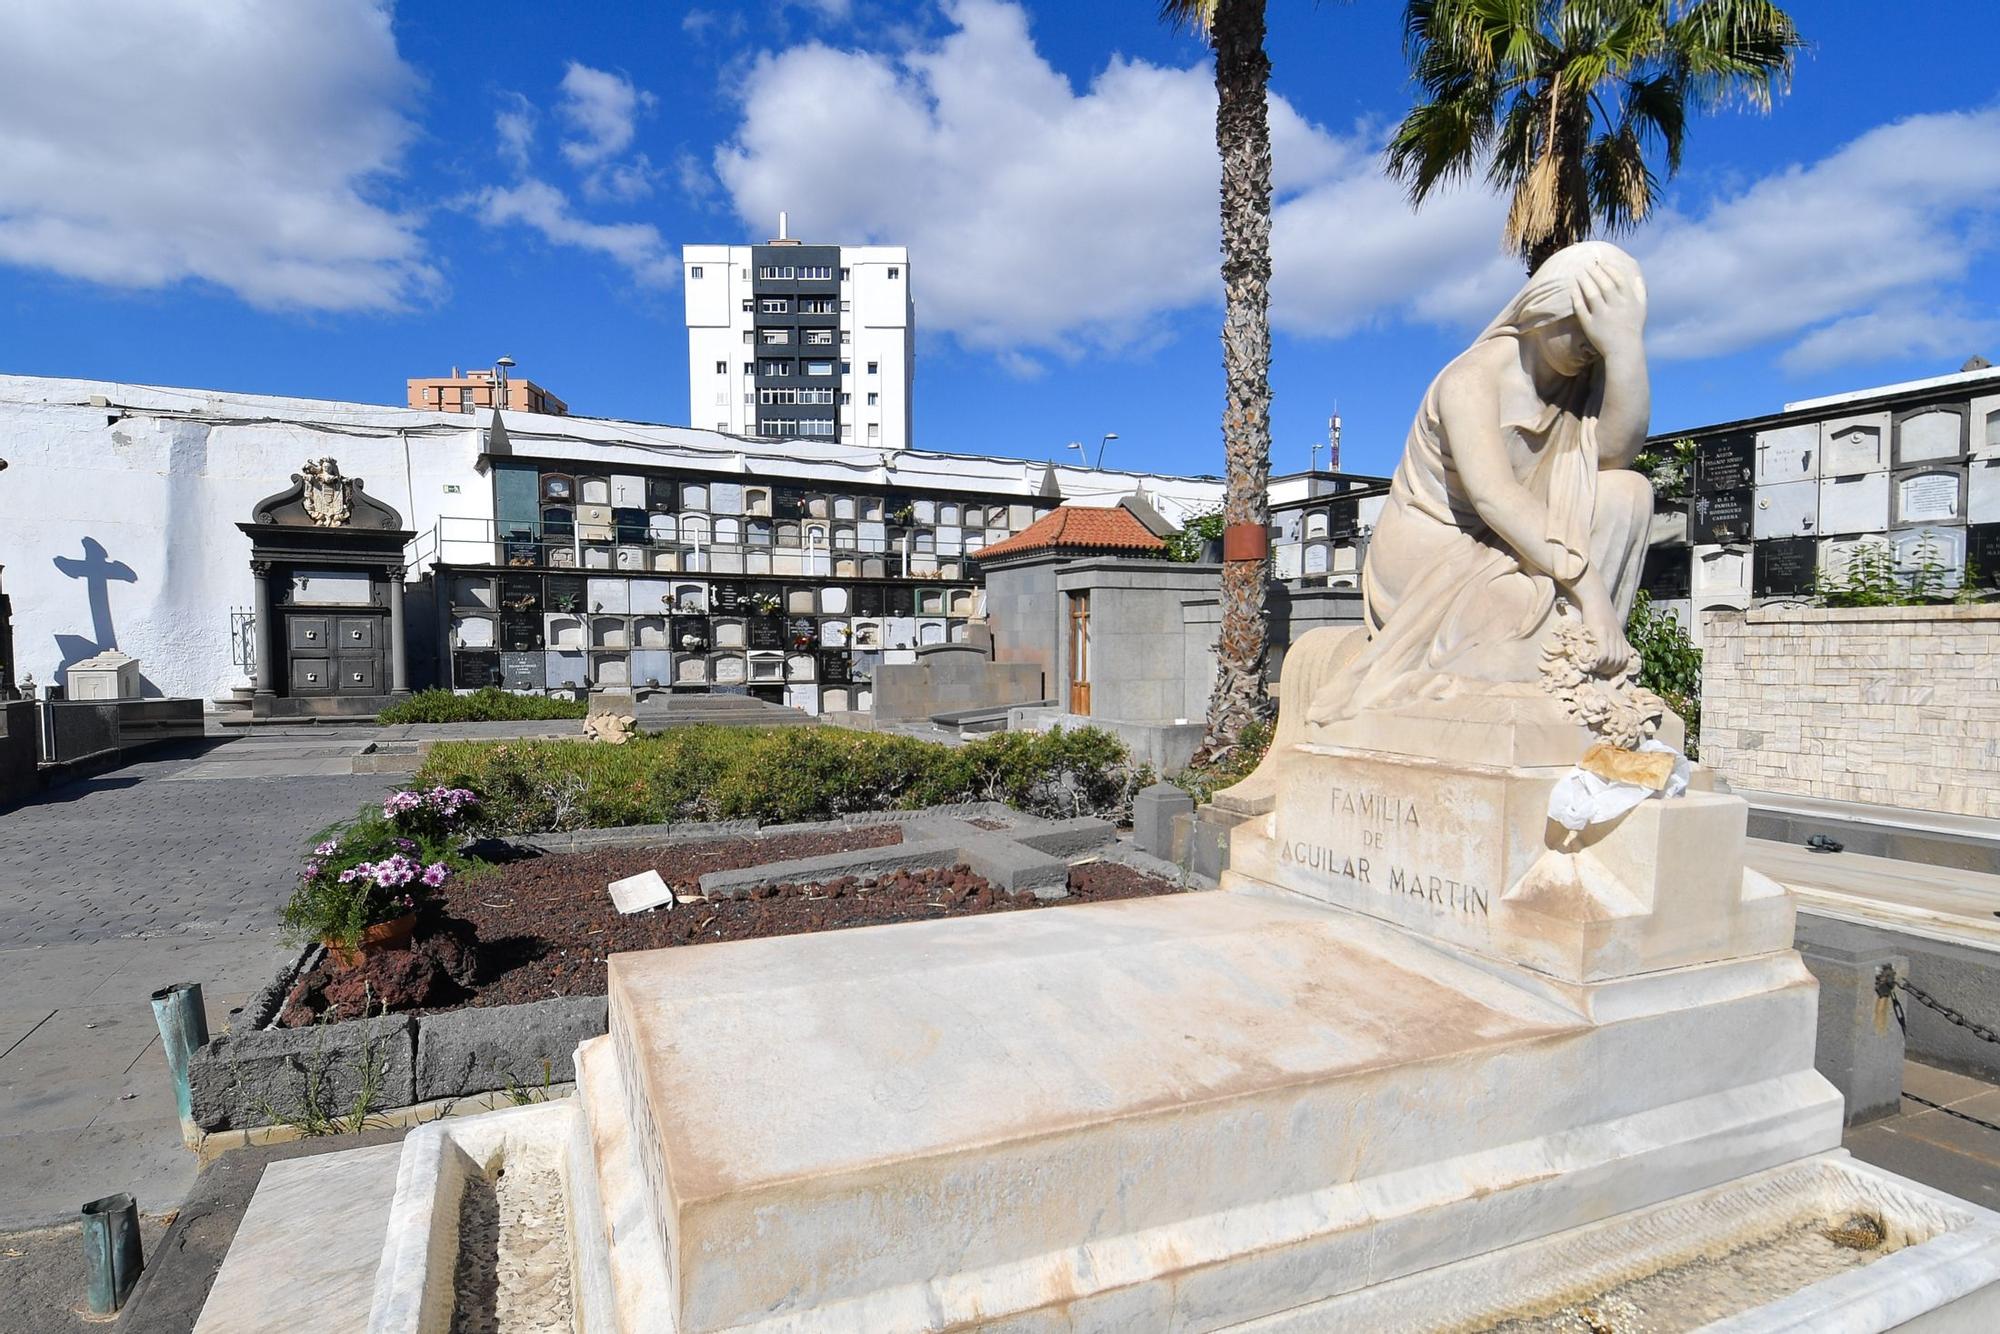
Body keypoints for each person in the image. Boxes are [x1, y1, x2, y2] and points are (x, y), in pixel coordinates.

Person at [1310, 241, 1653, 725]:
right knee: (1514, 612)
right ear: (1546, 309)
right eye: (1586, 330)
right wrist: (1591, 592)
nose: (1590, 347)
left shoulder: (1578, 381)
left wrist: (1626, 351)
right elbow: (1495, 496)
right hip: (1435, 552)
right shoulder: (1471, 379)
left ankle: (1580, 664)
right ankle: (1543, 670)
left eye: (1604, 338)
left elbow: (1614, 455)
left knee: (1630, 491)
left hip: (1522, 539)